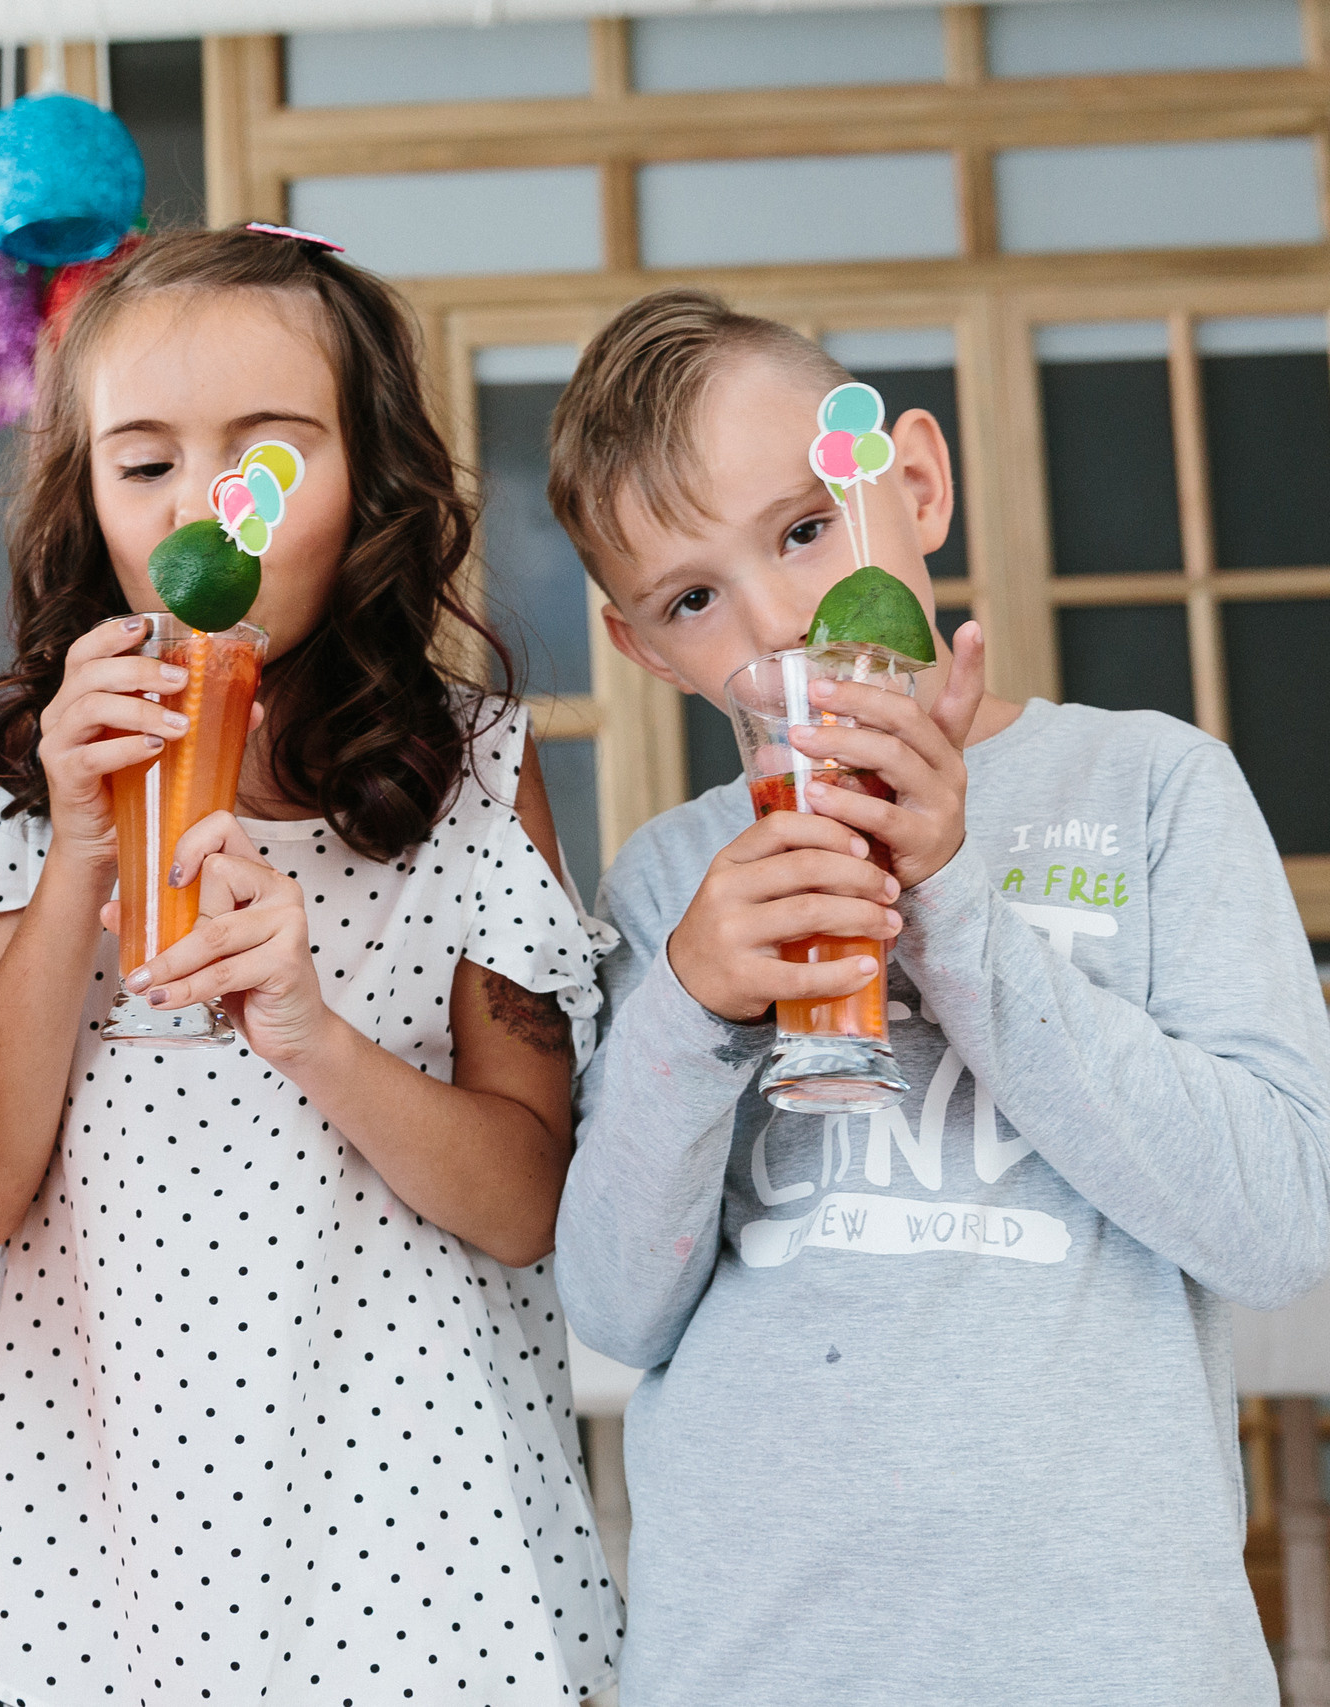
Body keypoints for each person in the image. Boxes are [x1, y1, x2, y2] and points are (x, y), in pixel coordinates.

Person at [547, 287, 1330, 1703]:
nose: (780, 616)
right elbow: (614, 1305)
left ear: (913, 481)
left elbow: (1279, 1226)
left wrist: (957, 905)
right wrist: (691, 999)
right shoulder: (670, 880)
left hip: (1116, 1660)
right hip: (755, 1662)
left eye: (802, 529)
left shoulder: (1150, 787)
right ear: (643, 648)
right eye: (694, 598)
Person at [0, 225, 623, 1703]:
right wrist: (85, 848)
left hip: (428, 1563)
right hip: (108, 1575)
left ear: (372, 482)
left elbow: (524, 1203)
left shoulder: (474, 775)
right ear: (87, 500)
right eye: (144, 463)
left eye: (267, 459)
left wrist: (312, 1029)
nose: (201, 520)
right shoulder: (20, 790)